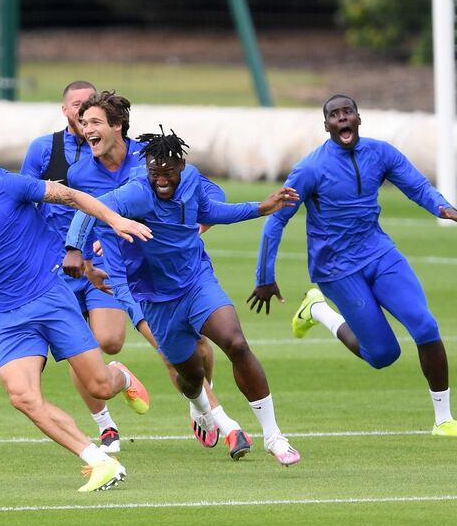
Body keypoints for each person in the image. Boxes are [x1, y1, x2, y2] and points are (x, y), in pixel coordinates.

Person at [0, 134, 153, 492]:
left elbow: (70, 196)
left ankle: (120, 376)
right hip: (9, 315)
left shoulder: (3, 183)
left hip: (50, 294)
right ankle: (100, 462)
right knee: (21, 395)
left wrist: (113, 219)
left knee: (100, 386)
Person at [65, 127, 302, 466]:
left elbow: (209, 211)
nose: (162, 179)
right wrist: (75, 249)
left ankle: (275, 436)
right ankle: (200, 407)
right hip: (156, 300)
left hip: (196, 282)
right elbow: (91, 208)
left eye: (169, 172)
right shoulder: (135, 193)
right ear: (147, 170)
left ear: (181, 166)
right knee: (190, 377)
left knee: (235, 342)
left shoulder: (190, 180)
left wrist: (259, 208)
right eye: (155, 173)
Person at [248, 94, 457, 437]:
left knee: (425, 326)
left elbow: (416, 185)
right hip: (338, 270)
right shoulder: (310, 169)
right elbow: (276, 222)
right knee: (383, 354)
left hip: (380, 254)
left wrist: (443, 208)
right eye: (334, 115)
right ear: (326, 125)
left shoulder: (380, 153)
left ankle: (443, 420)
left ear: (358, 118)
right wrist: (265, 277)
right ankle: (318, 311)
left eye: (347, 113)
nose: (342, 119)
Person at [67, 91, 251, 458]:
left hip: (164, 275)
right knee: (109, 342)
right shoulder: (79, 170)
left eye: (93, 123)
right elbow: (86, 212)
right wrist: (85, 254)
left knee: (194, 349)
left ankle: (213, 414)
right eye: (81, 122)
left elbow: (210, 194)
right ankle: (208, 411)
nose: (84, 128)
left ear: (117, 127)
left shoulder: (151, 160)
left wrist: (190, 230)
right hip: (118, 274)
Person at [20, 81, 130, 453]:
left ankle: (119, 377)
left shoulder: (111, 155)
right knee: (76, 345)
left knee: (110, 342)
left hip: (101, 258)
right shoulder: (42, 149)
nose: (84, 115)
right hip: (56, 264)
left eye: (90, 108)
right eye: (77, 107)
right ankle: (105, 425)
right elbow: (23, 199)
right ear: (65, 110)